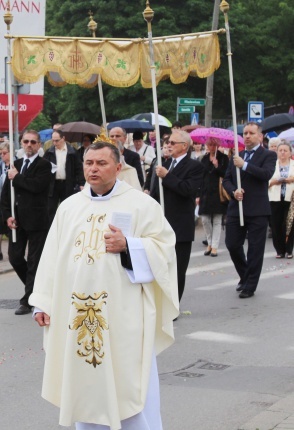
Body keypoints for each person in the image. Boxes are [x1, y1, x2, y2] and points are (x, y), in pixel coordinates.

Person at [30, 141, 179, 430]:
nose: (93, 169)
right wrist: (42, 301)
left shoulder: (142, 205)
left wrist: (129, 246)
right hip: (77, 314)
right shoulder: (69, 207)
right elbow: (51, 258)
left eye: (101, 163)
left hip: (125, 316)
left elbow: (165, 251)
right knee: (85, 386)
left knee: (130, 383)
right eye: (89, 163)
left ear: (119, 166)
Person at [222, 122, 277, 298]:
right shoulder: (237, 156)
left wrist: (244, 165)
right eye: (245, 133)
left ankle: (250, 286)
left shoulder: (268, 155)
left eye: (251, 133)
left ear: (260, 136)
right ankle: (245, 274)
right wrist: (233, 191)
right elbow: (227, 180)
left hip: (257, 209)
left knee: (255, 249)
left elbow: (266, 174)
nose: (247, 136)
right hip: (236, 207)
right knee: (232, 244)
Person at [1, 130, 51, 314]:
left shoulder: (45, 165)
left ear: (38, 145)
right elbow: (6, 194)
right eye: (26, 141)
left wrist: (18, 177)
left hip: (37, 221)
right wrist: (7, 215)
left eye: (33, 142)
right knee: (15, 258)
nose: (29, 145)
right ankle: (36, 290)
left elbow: (37, 187)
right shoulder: (16, 164)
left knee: (34, 261)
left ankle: (28, 300)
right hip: (17, 221)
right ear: (21, 143)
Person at [152, 129, 204, 302]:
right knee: (162, 266)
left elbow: (187, 190)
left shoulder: (195, 166)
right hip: (161, 223)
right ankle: (161, 301)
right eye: (168, 142)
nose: (169, 145)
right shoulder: (165, 164)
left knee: (178, 268)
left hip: (181, 224)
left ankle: (174, 303)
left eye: (173, 143)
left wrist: (167, 177)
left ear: (184, 146)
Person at [44, 129, 85, 225]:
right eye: (53, 140)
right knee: (51, 209)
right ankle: (52, 230)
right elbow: (43, 168)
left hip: (67, 184)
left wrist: (81, 183)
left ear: (63, 138)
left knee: (67, 208)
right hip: (52, 184)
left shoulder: (72, 152)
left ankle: (66, 227)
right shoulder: (49, 152)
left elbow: (78, 169)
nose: (55, 143)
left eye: (57, 140)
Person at [197, 138, 229, 257]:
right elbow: (200, 177)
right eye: (210, 144)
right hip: (205, 193)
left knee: (216, 220)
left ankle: (214, 246)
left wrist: (217, 166)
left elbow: (226, 174)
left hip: (218, 193)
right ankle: (209, 243)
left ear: (218, 144)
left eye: (214, 144)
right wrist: (198, 195)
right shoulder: (204, 159)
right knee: (205, 220)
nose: (212, 147)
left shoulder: (223, 158)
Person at [268, 140, 294, 258]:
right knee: (276, 224)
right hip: (274, 198)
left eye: (285, 151)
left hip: (290, 198)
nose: (282, 153)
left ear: (290, 153)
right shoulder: (272, 164)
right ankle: (279, 250)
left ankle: (289, 249)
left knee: (289, 224)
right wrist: (273, 182)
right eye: (280, 150)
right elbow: (265, 179)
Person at [0, 142, 11, 260]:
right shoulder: (0, 166)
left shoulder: (15, 164)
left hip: (12, 199)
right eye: (0, 154)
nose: (2, 156)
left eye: (4, 153)